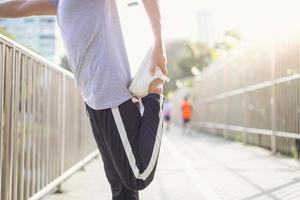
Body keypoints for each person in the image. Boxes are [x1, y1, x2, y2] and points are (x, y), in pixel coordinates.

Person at [0, 0, 168, 199]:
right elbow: (20, 6)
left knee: (137, 176)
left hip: (112, 95)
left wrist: (159, 41)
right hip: (93, 100)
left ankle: (155, 94)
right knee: (121, 188)